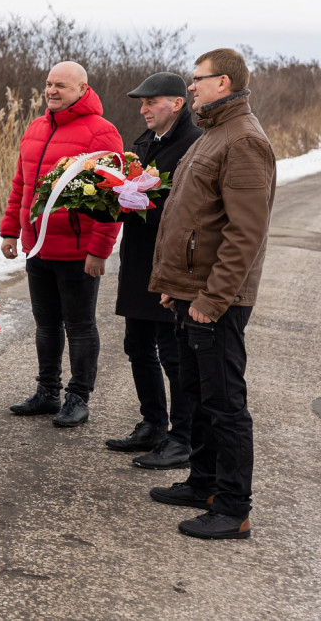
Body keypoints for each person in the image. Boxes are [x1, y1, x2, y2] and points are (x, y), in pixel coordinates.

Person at [148, 49, 276, 540]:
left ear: (222, 82)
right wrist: (174, 288)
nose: (191, 87)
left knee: (225, 402)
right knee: (199, 394)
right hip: (190, 292)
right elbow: (191, 217)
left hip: (217, 300)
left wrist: (212, 298)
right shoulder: (213, 134)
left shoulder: (244, 140)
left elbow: (246, 233)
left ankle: (232, 506)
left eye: (197, 80)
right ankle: (202, 483)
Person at [0, 61, 123, 427]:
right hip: (38, 248)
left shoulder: (102, 133)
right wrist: (10, 230)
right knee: (46, 325)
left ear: (83, 89)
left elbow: (113, 196)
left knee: (80, 326)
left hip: (77, 252)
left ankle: (78, 397)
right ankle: (48, 392)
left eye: (61, 86)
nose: (51, 91)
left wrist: (100, 250)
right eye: (49, 84)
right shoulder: (36, 128)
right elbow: (21, 184)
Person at [104, 73, 201, 468]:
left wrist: (141, 201)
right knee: (137, 346)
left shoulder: (193, 145)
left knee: (173, 354)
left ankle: (183, 438)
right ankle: (153, 424)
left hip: (171, 263)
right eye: (141, 103)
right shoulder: (145, 143)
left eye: (151, 102)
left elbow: (188, 208)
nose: (142, 109)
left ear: (177, 104)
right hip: (139, 259)